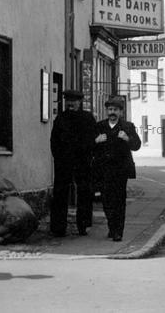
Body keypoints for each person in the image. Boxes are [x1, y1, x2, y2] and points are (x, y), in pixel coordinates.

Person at [50, 88, 97, 237]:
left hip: (82, 161)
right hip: (64, 162)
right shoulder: (60, 119)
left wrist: (89, 156)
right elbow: (54, 140)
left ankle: (83, 225)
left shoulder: (87, 118)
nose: (71, 103)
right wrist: (58, 157)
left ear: (80, 102)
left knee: (84, 192)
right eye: (68, 101)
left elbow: (93, 139)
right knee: (60, 193)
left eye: (74, 101)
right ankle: (58, 227)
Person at [94, 96, 141, 242]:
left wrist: (127, 139)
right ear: (106, 111)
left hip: (121, 170)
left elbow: (137, 145)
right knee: (106, 200)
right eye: (109, 109)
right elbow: (89, 147)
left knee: (119, 201)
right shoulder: (100, 126)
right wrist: (96, 141)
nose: (112, 112)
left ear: (121, 112)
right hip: (104, 169)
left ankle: (118, 231)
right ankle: (111, 226)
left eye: (115, 110)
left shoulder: (128, 127)